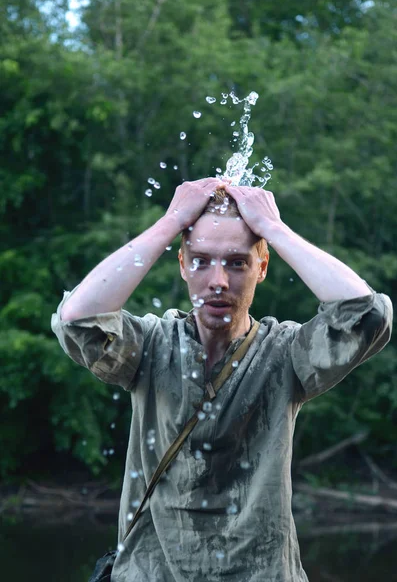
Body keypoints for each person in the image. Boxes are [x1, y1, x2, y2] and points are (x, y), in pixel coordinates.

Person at [51, 177, 392, 582]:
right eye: (200, 260)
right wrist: (170, 221)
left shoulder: (285, 355)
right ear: (181, 264)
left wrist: (272, 228)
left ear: (261, 267)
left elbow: (367, 315)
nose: (218, 281)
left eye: (236, 262)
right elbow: (76, 320)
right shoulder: (151, 347)